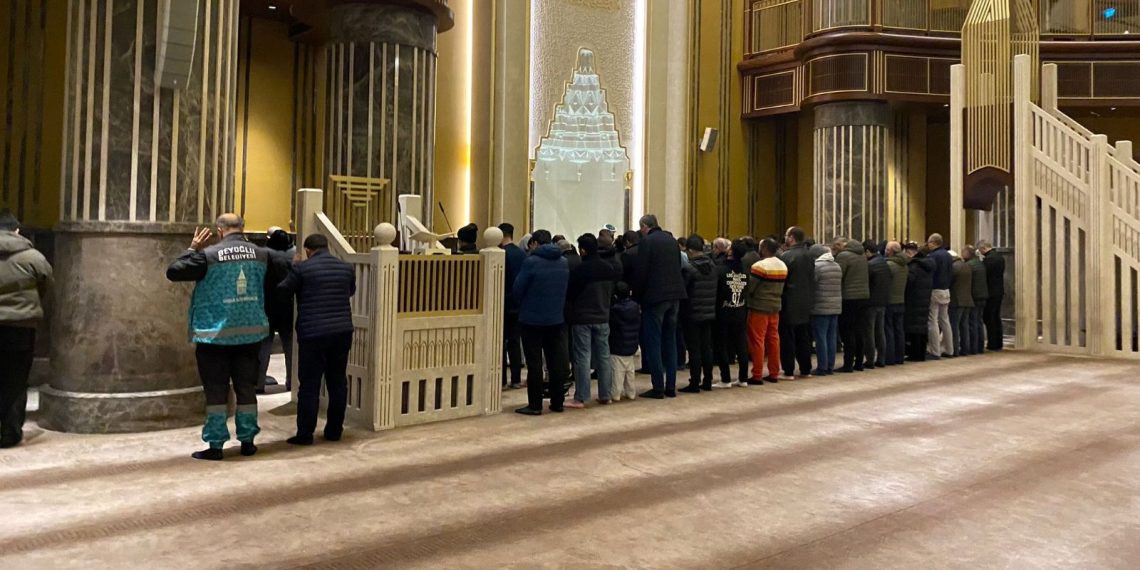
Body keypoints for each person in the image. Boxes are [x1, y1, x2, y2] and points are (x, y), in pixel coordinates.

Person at [166, 214, 284, 460]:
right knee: (246, 389)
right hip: (251, 335)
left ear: (220, 231)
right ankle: (248, 441)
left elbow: (174, 271)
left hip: (215, 337)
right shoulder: (263, 254)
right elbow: (279, 278)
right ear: (242, 228)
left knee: (216, 392)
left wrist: (192, 247)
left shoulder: (208, 256)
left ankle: (216, 445)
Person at [277, 234, 356, 445]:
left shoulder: (302, 268)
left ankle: (305, 434)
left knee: (309, 386)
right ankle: (334, 431)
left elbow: (283, 290)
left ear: (309, 250)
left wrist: (292, 267)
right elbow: (350, 291)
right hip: (342, 331)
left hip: (313, 333)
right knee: (337, 382)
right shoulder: (346, 268)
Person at [0, 210, 52, 449]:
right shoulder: (33, 257)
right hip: (21, 327)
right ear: (17, 230)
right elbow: (47, 286)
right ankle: (9, 433)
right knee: (17, 379)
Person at [513, 230, 571, 415]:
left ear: (535, 243)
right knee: (555, 362)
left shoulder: (531, 262)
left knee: (535, 363)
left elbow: (518, 289)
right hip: (555, 318)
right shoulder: (563, 262)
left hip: (532, 319)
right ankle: (557, 402)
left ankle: (535, 404)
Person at [632, 215, 687, 399]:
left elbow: (641, 273)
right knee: (669, 340)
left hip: (655, 298)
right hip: (675, 297)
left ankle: (658, 387)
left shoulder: (647, 242)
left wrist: (637, 298)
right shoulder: (671, 240)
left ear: (645, 226)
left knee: (653, 342)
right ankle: (670, 386)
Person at [565, 233, 619, 408]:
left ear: (582, 250)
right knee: (604, 356)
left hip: (582, 318)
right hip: (603, 316)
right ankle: (605, 394)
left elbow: (571, 295)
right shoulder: (608, 268)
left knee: (583, 357)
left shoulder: (581, 270)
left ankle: (581, 396)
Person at [679, 234, 718, 393]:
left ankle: (694, 382)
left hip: (692, 313)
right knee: (706, 348)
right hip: (709, 313)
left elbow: (684, 291)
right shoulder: (713, 266)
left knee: (694, 349)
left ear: (690, 250)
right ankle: (707, 381)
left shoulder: (689, 269)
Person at [744, 239, 787, 384]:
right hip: (775, 306)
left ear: (764, 249)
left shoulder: (759, 266)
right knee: (774, 340)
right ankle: (774, 373)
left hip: (759, 307)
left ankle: (757, 374)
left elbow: (751, 287)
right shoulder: (782, 265)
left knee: (757, 340)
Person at [258, 227, 295, 393]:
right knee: (290, 346)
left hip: (267, 305)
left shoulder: (263, 254)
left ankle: (258, 383)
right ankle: (291, 382)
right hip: (289, 306)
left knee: (263, 345)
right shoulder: (295, 254)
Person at [779, 227, 815, 379]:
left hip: (789, 301)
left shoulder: (786, 256)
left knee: (787, 337)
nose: (785, 238)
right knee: (803, 337)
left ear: (792, 238)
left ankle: (788, 370)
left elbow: (782, 280)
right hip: (806, 301)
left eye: (786, 235)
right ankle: (806, 369)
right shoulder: (810, 255)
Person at [714, 239, 750, 388]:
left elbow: (717, 292)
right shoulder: (745, 272)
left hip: (723, 311)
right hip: (740, 310)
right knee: (741, 344)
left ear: (730, 251)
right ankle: (743, 378)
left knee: (721, 344)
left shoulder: (721, 270)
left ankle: (725, 379)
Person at [834, 238, 870, 373]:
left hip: (848, 298)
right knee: (859, 330)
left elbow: (839, 275)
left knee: (847, 331)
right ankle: (859, 362)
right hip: (863, 297)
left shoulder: (843, 256)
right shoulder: (862, 256)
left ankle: (848, 363)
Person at [499, 223, 526, 389]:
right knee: (515, 341)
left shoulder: (501, 254)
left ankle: (501, 379)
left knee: (500, 342)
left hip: (503, 302)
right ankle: (516, 379)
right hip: (518, 303)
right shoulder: (522, 254)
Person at [810, 243, 841, 376]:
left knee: (820, 338)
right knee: (831, 337)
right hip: (835, 306)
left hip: (821, 306)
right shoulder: (837, 265)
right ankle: (830, 366)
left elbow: (812, 284)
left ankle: (822, 367)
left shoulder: (818, 267)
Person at [904, 242, 935, 361]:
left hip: (914, 299)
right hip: (925, 298)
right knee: (922, 326)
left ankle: (915, 354)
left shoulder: (914, 266)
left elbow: (909, 282)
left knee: (914, 328)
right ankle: (921, 353)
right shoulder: (928, 265)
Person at [609, 282, 641, 401]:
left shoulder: (615, 310)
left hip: (618, 346)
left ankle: (615, 394)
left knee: (617, 373)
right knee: (630, 372)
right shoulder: (635, 307)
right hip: (631, 345)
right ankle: (631, 393)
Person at [864, 239, 891, 368]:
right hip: (883, 301)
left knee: (869, 332)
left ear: (868, 251)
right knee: (880, 331)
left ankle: (870, 359)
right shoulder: (884, 263)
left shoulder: (870, 265)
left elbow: (867, 283)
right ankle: (881, 358)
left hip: (871, 302)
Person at [926, 233, 954, 358]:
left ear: (933, 242)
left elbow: (931, 273)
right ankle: (949, 349)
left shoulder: (933, 256)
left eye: (928, 242)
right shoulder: (948, 255)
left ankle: (935, 351)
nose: (927, 245)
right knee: (945, 320)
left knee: (933, 321)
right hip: (946, 290)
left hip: (935, 289)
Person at [885, 241, 908, 365]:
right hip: (901, 299)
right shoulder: (905, 265)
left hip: (890, 300)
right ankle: (899, 356)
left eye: (887, 249)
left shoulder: (889, 265)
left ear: (891, 251)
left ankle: (890, 357)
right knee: (899, 330)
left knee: (889, 330)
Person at [979, 240, 1005, 350]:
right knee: (996, 317)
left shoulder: (988, 260)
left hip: (990, 292)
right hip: (999, 291)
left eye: (980, 250)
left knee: (989, 318)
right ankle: (998, 342)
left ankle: (992, 343)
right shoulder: (1000, 257)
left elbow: (984, 275)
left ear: (983, 248)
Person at [949, 249, 974, 357]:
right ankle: (965, 349)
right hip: (967, 299)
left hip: (957, 300)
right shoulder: (966, 266)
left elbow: (950, 282)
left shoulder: (954, 267)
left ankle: (955, 349)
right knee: (964, 326)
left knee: (954, 326)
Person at [967, 244, 989, 355]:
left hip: (974, 297)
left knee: (973, 322)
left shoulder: (970, 265)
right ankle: (980, 347)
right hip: (983, 295)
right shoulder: (980, 264)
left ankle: (973, 348)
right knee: (979, 322)